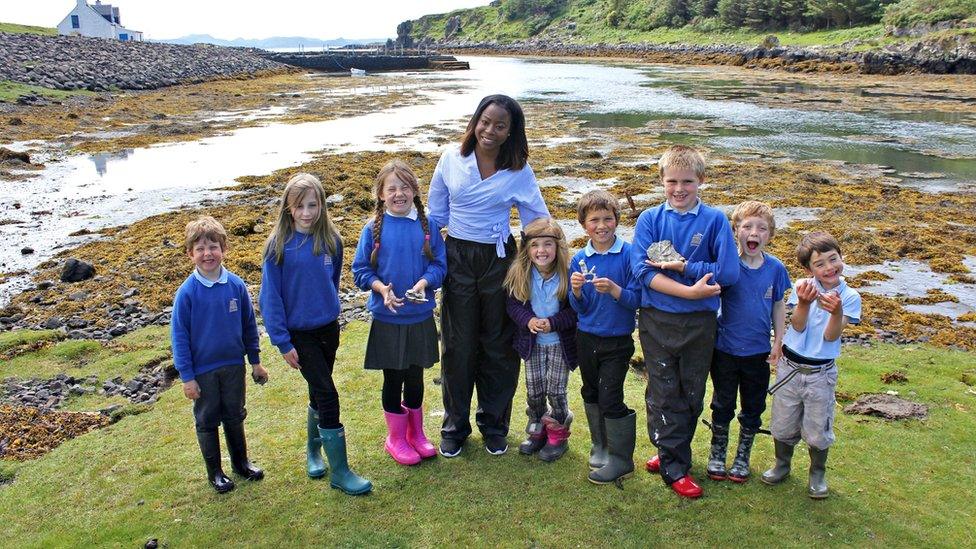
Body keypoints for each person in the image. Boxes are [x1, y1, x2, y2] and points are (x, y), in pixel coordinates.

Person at [427, 94, 550, 457]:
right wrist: (416, 259)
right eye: (485, 121)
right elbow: (436, 216)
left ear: (512, 131)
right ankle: (455, 426)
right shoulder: (452, 158)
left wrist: (551, 263)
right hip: (459, 256)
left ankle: (495, 425)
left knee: (498, 344)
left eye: (500, 125)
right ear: (475, 120)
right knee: (458, 345)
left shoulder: (519, 170)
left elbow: (536, 219)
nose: (490, 131)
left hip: (500, 261)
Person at [630, 145, 739, 499]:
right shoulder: (649, 219)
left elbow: (729, 272)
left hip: (700, 324)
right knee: (663, 390)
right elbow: (642, 271)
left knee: (691, 392)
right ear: (662, 181)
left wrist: (687, 269)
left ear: (701, 181)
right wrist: (690, 292)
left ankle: (668, 448)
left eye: (687, 182)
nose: (679, 189)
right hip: (656, 319)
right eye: (672, 181)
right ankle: (674, 467)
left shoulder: (715, 220)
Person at [259, 173, 372, 496]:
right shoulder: (277, 248)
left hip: (328, 329)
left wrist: (329, 309)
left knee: (316, 391)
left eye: (313, 205)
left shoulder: (331, 242)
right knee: (327, 394)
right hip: (299, 334)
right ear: (288, 209)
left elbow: (331, 280)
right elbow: (270, 298)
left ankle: (313, 451)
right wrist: (282, 341)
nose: (307, 212)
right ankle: (341, 471)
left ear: (322, 206)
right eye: (300, 206)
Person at [352, 160, 446, 466]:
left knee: (416, 378)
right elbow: (360, 271)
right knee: (393, 380)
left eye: (405, 186)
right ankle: (395, 438)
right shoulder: (372, 229)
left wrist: (424, 283)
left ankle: (416, 435)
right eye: (391, 188)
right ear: (381, 194)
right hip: (387, 319)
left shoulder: (427, 226)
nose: (399, 193)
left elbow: (439, 266)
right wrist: (381, 288)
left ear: (416, 190)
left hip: (419, 317)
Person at [171, 215, 267, 494]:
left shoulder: (236, 286)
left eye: (213, 247)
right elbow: (179, 338)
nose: (207, 253)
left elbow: (249, 326)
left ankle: (241, 463)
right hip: (203, 371)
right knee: (207, 419)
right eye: (200, 249)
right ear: (190, 254)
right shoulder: (186, 294)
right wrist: (187, 378)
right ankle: (215, 472)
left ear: (224, 249)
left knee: (235, 415)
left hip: (233, 366)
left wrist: (256, 362)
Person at [762, 231, 861, 499]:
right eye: (820, 264)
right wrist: (804, 303)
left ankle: (817, 472)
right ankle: (782, 464)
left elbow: (831, 336)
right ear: (808, 268)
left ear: (841, 257)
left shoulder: (850, 296)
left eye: (833, 259)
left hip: (821, 373)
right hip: (790, 368)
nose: (829, 268)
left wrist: (837, 311)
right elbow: (798, 325)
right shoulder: (802, 286)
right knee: (783, 422)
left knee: (818, 428)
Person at [706, 201, 791, 483]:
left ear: (770, 235)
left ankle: (742, 456)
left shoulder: (776, 269)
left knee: (753, 406)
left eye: (762, 228)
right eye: (747, 227)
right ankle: (717, 453)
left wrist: (778, 340)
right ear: (736, 232)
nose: (754, 233)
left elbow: (778, 305)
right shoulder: (728, 266)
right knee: (722, 403)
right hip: (725, 350)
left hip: (758, 353)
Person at [568, 190, 641, 485]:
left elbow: (637, 299)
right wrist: (575, 292)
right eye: (594, 220)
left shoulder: (628, 254)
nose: (601, 225)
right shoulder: (579, 259)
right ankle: (601, 446)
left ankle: (621, 459)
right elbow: (580, 308)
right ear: (584, 225)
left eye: (607, 218)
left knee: (611, 396)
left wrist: (614, 290)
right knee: (591, 391)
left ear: (617, 221)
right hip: (586, 337)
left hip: (617, 340)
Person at [504, 217, 577, 462]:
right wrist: (529, 321)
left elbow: (574, 311)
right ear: (527, 249)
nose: (541, 250)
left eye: (547, 244)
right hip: (532, 345)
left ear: (558, 247)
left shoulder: (567, 275)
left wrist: (553, 322)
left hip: (559, 344)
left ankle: (558, 432)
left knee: (556, 390)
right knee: (534, 389)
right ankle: (537, 424)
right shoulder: (521, 273)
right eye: (535, 245)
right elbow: (513, 305)